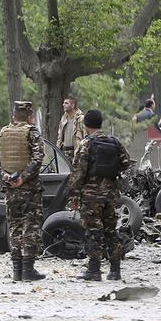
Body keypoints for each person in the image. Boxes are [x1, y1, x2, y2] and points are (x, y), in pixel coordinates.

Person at [68, 109, 131, 281]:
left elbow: (78, 172)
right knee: (111, 231)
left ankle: (94, 270)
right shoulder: (115, 142)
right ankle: (115, 270)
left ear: (86, 125)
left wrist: (73, 195)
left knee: (93, 232)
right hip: (110, 195)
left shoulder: (85, 144)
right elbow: (126, 163)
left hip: (91, 196)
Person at [0, 101, 45, 282]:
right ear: (29, 117)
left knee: (15, 228)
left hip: (10, 191)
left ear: (13, 116)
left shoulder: (3, 133)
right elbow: (38, 157)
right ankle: (28, 270)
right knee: (31, 228)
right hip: (30, 190)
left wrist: (3, 175)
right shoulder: (32, 132)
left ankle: (16, 271)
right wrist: (24, 177)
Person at [57, 97, 85, 162]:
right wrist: (58, 150)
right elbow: (59, 137)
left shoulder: (81, 119)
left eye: (66, 103)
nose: (63, 105)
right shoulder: (63, 119)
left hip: (76, 152)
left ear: (72, 105)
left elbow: (85, 136)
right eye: (63, 103)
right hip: (64, 152)